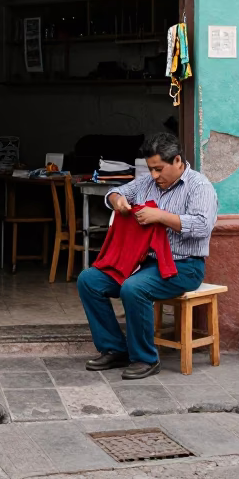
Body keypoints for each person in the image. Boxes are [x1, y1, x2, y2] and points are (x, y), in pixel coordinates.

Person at [76, 131, 219, 379]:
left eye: (159, 169)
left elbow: (202, 226)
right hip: (146, 264)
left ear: (177, 161)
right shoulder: (147, 182)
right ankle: (114, 348)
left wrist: (161, 216)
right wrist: (117, 199)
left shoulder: (199, 186)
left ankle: (145, 359)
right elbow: (115, 192)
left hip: (184, 267)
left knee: (133, 288)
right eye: (151, 169)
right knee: (89, 280)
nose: (154, 175)